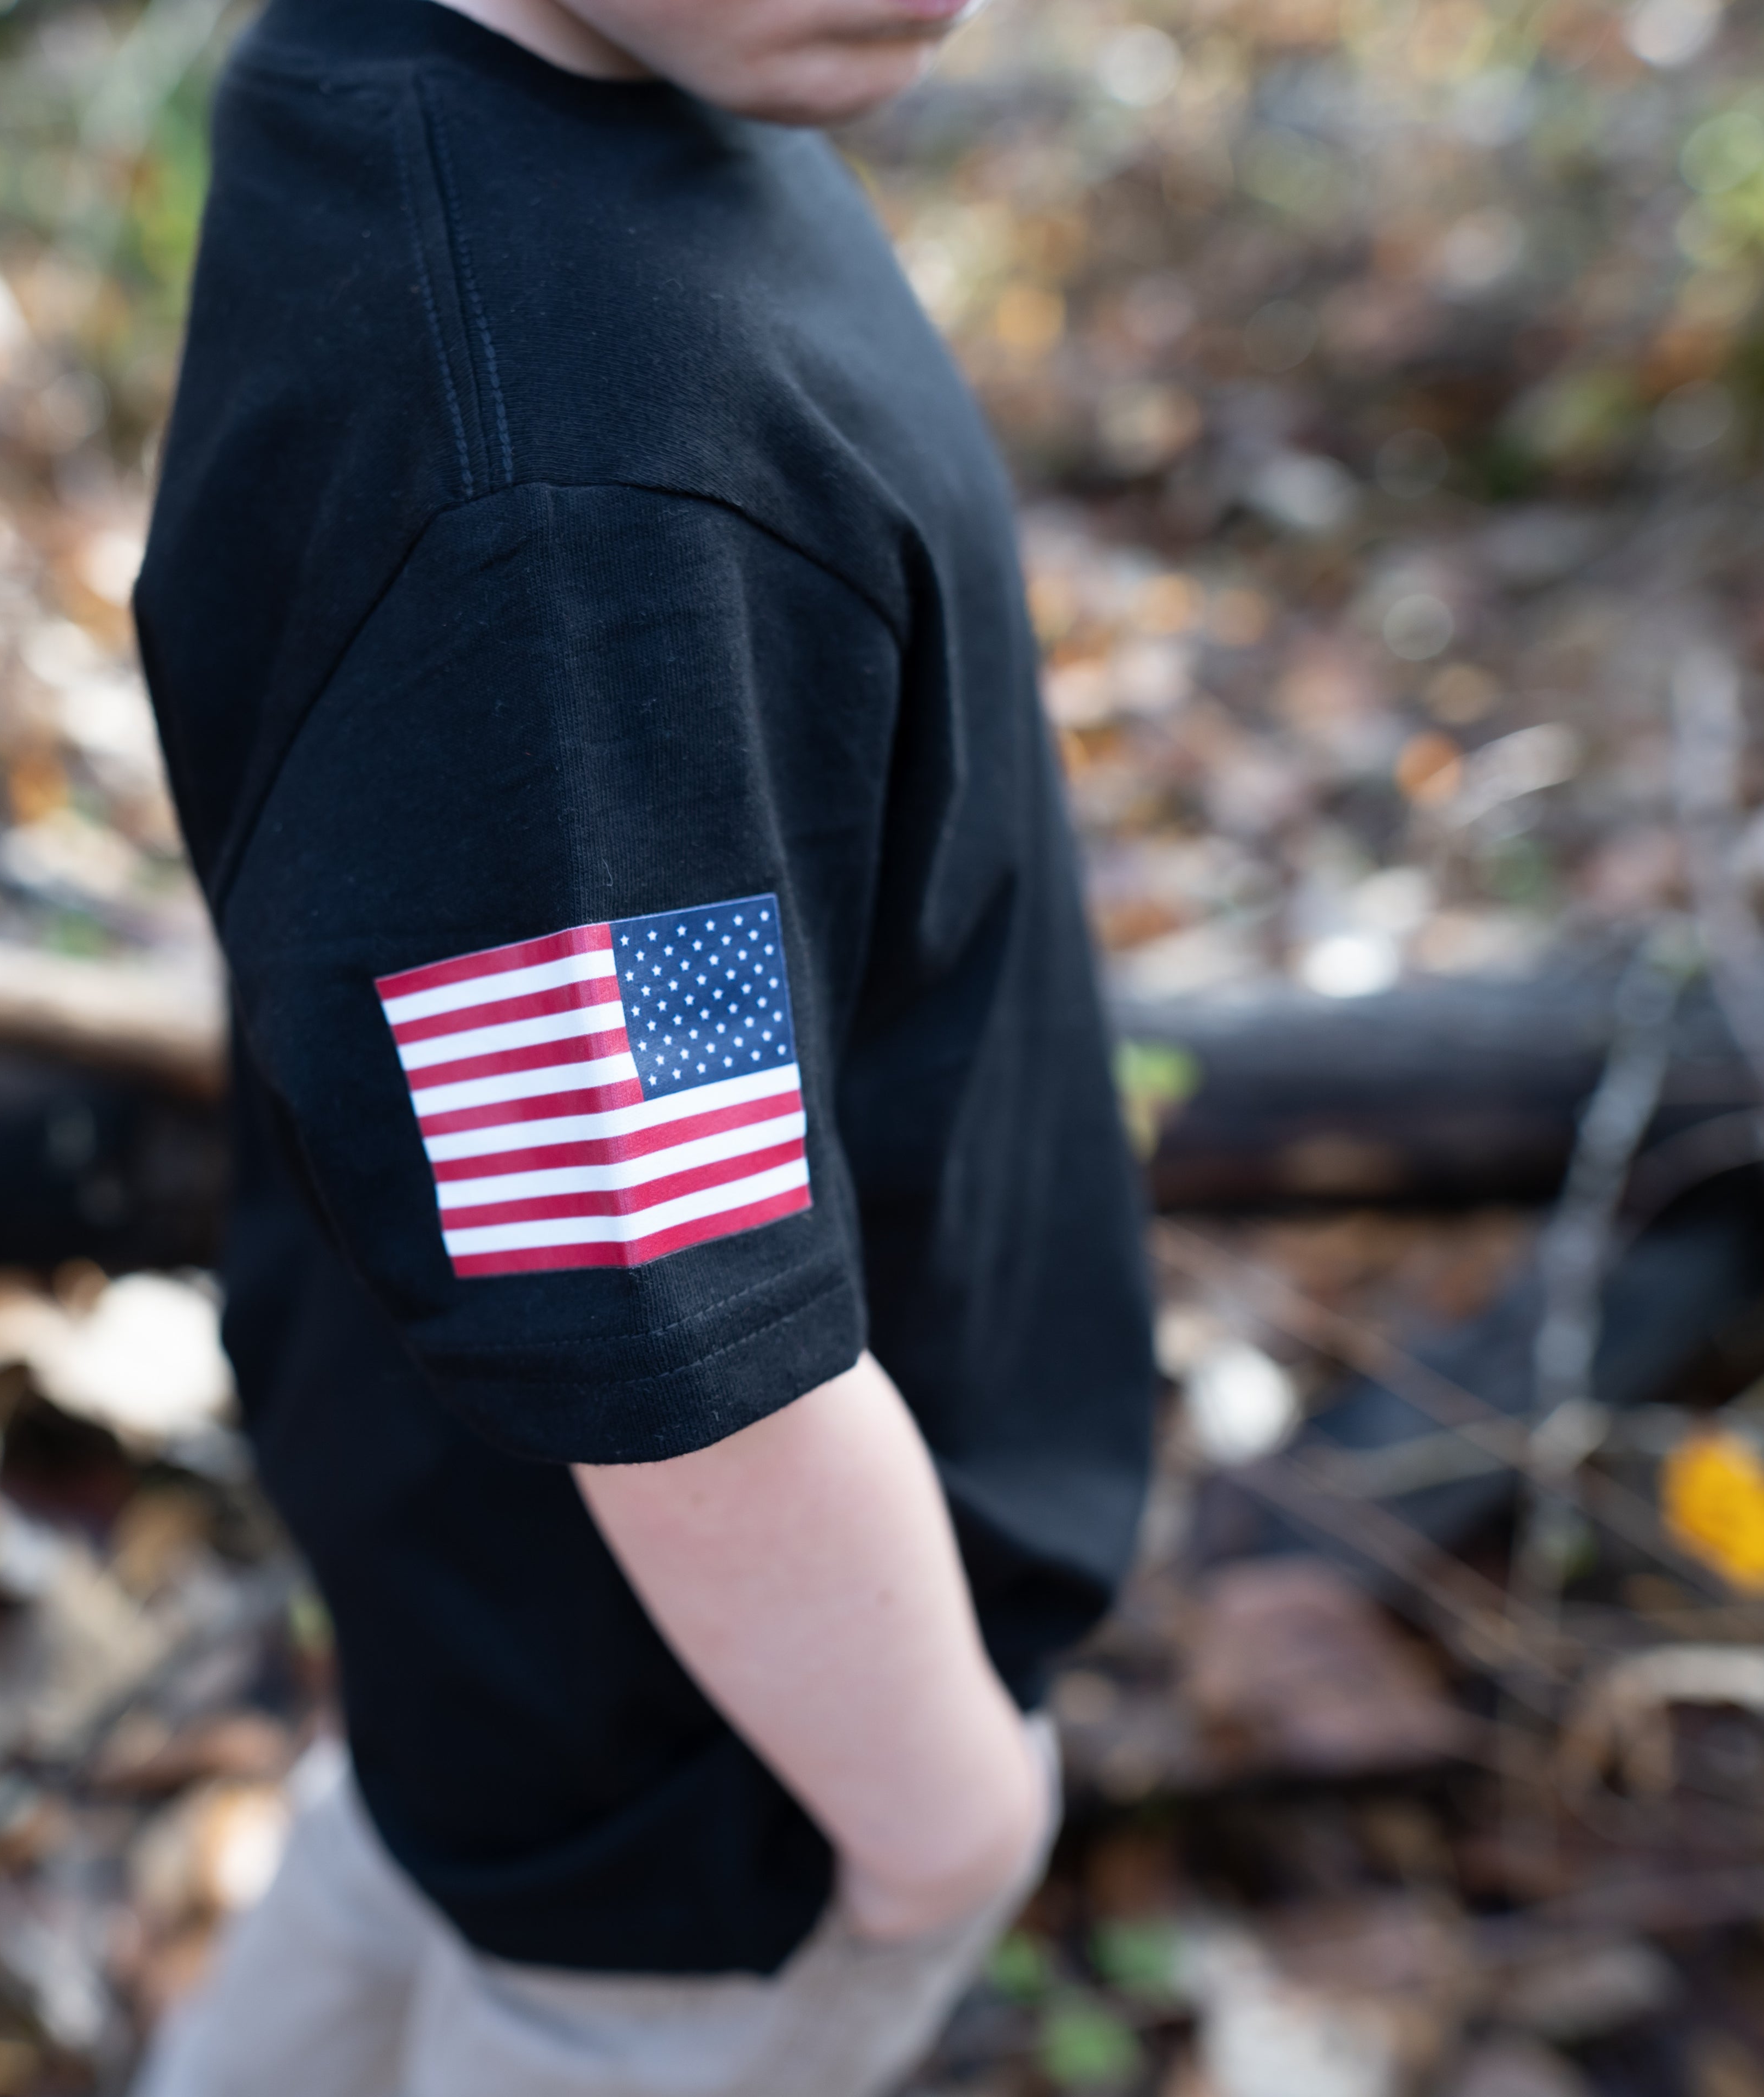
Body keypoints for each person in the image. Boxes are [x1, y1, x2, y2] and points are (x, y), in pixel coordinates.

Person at [126, 0, 1158, 2083]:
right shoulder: (575, 507)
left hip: (490, 1654)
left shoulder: (429, 83)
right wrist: (941, 1810)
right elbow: (684, 1347)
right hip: (706, 1809)